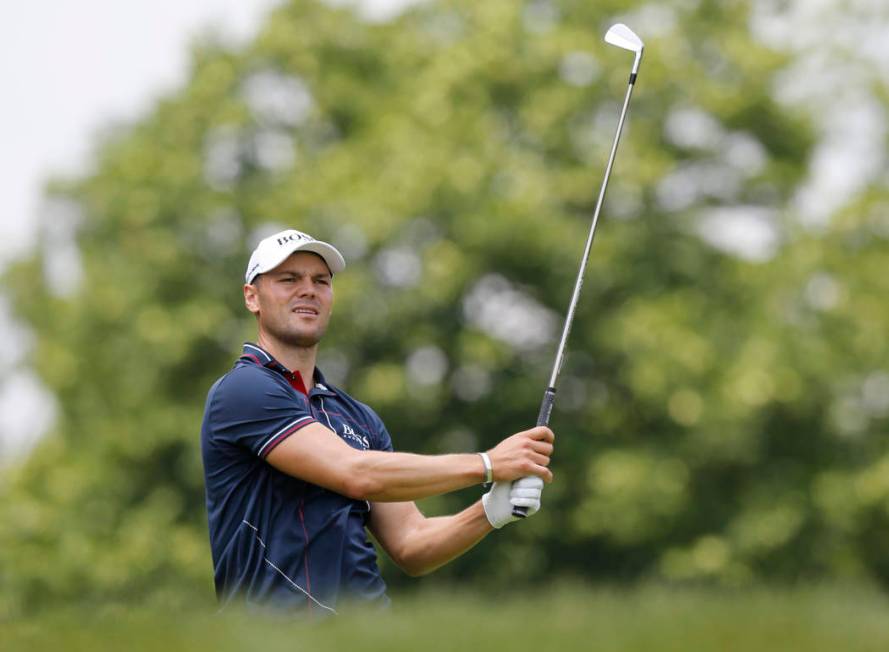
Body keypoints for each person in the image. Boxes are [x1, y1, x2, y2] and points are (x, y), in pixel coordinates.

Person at [200, 229, 555, 614]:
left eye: (321, 281)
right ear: (252, 296)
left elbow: (412, 544)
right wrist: (487, 464)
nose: (308, 290)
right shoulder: (243, 390)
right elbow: (357, 473)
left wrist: (490, 510)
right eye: (289, 279)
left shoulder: (357, 417)